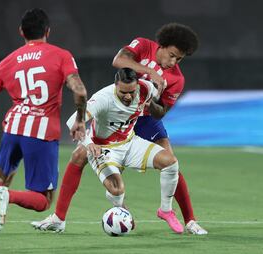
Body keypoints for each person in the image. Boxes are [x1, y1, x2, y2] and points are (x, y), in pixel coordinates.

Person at [32, 23, 207, 235]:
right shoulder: (143, 46)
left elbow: (161, 113)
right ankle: (62, 217)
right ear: (162, 45)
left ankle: (187, 219)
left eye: (179, 59)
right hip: (119, 111)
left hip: (144, 118)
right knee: (81, 154)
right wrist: (150, 71)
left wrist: (150, 101)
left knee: (171, 163)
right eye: (171, 55)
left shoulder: (176, 79)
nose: (173, 62)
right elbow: (119, 61)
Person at [0, 8, 87, 252]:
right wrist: (80, 119)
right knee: (43, 201)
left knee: (0, 179)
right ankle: (8, 196)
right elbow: (80, 91)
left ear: (21, 32)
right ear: (48, 31)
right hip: (41, 133)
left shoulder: (8, 61)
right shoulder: (61, 55)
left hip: (13, 128)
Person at [34, 68, 183, 233]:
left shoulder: (146, 88)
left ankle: (166, 210)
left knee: (171, 163)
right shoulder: (103, 99)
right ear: (116, 86)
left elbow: (159, 102)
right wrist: (88, 142)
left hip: (130, 142)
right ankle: (121, 208)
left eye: (131, 92)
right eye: (123, 92)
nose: (128, 96)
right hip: (103, 148)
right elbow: (72, 121)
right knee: (117, 188)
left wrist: (154, 103)